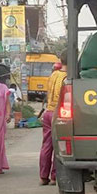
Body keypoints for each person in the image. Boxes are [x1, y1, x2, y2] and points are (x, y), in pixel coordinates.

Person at [39, 51, 67, 185]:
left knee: (46, 145)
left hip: (48, 112)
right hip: (59, 113)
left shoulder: (53, 75)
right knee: (59, 146)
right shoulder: (67, 78)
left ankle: (43, 176)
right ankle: (54, 176)